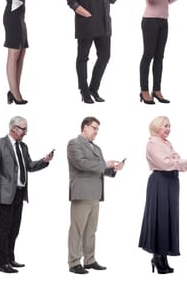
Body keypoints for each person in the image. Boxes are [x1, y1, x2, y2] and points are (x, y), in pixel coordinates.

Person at [0, 116, 54, 273]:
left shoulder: (23, 147)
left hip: (20, 193)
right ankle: (2, 263)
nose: (26, 132)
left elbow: (29, 166)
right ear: (13, 128)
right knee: (4, 230)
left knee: (14, 229)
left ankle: (10, 258)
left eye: (26, 129)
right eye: (23, 129)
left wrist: (44, 161)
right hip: (4, 194)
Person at [138, 116, 187, 274]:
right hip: (160, 182)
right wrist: (178, 161)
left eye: (170, 126)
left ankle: (163, 256)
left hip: (172, 182)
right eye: (165, 126)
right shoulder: (153, 143)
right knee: (160, 217)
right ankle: (157, 257)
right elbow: (166, 163)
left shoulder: (167, 144)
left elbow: (178, 166)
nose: (168, 129)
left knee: (169, 218)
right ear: (157, 127)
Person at [67, 116, 124, 274]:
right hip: (81, 192)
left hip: (96, 194)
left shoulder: (96, 148)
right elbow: (82, 164)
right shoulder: (74, 144)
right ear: (85, 127)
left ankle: (90, 260)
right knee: (77, 229)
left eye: (98, 129)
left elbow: (100, 168)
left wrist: (113, 170)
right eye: (94, 128)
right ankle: (73, 263)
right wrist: (105, 164)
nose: (96, 131)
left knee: (91, 230)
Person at [67, 0, 123, 103]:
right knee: (83, 57)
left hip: (104, 24)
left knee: (105, 56)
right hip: (87, 24)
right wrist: (85, 13)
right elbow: (71, 0)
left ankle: (94, 89)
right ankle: (84, 91)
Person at [138, 0, 187, 104]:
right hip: (150, 21)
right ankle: (144, 91)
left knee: (159, 57)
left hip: (163, 21)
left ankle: (157, 90)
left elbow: (167, 1)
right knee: (148, 55)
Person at [0, 0, 48, 105]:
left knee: (22, 53)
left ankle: (14, 90)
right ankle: (15, 93)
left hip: (20, 18)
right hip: (12, 18)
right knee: (13, 54)